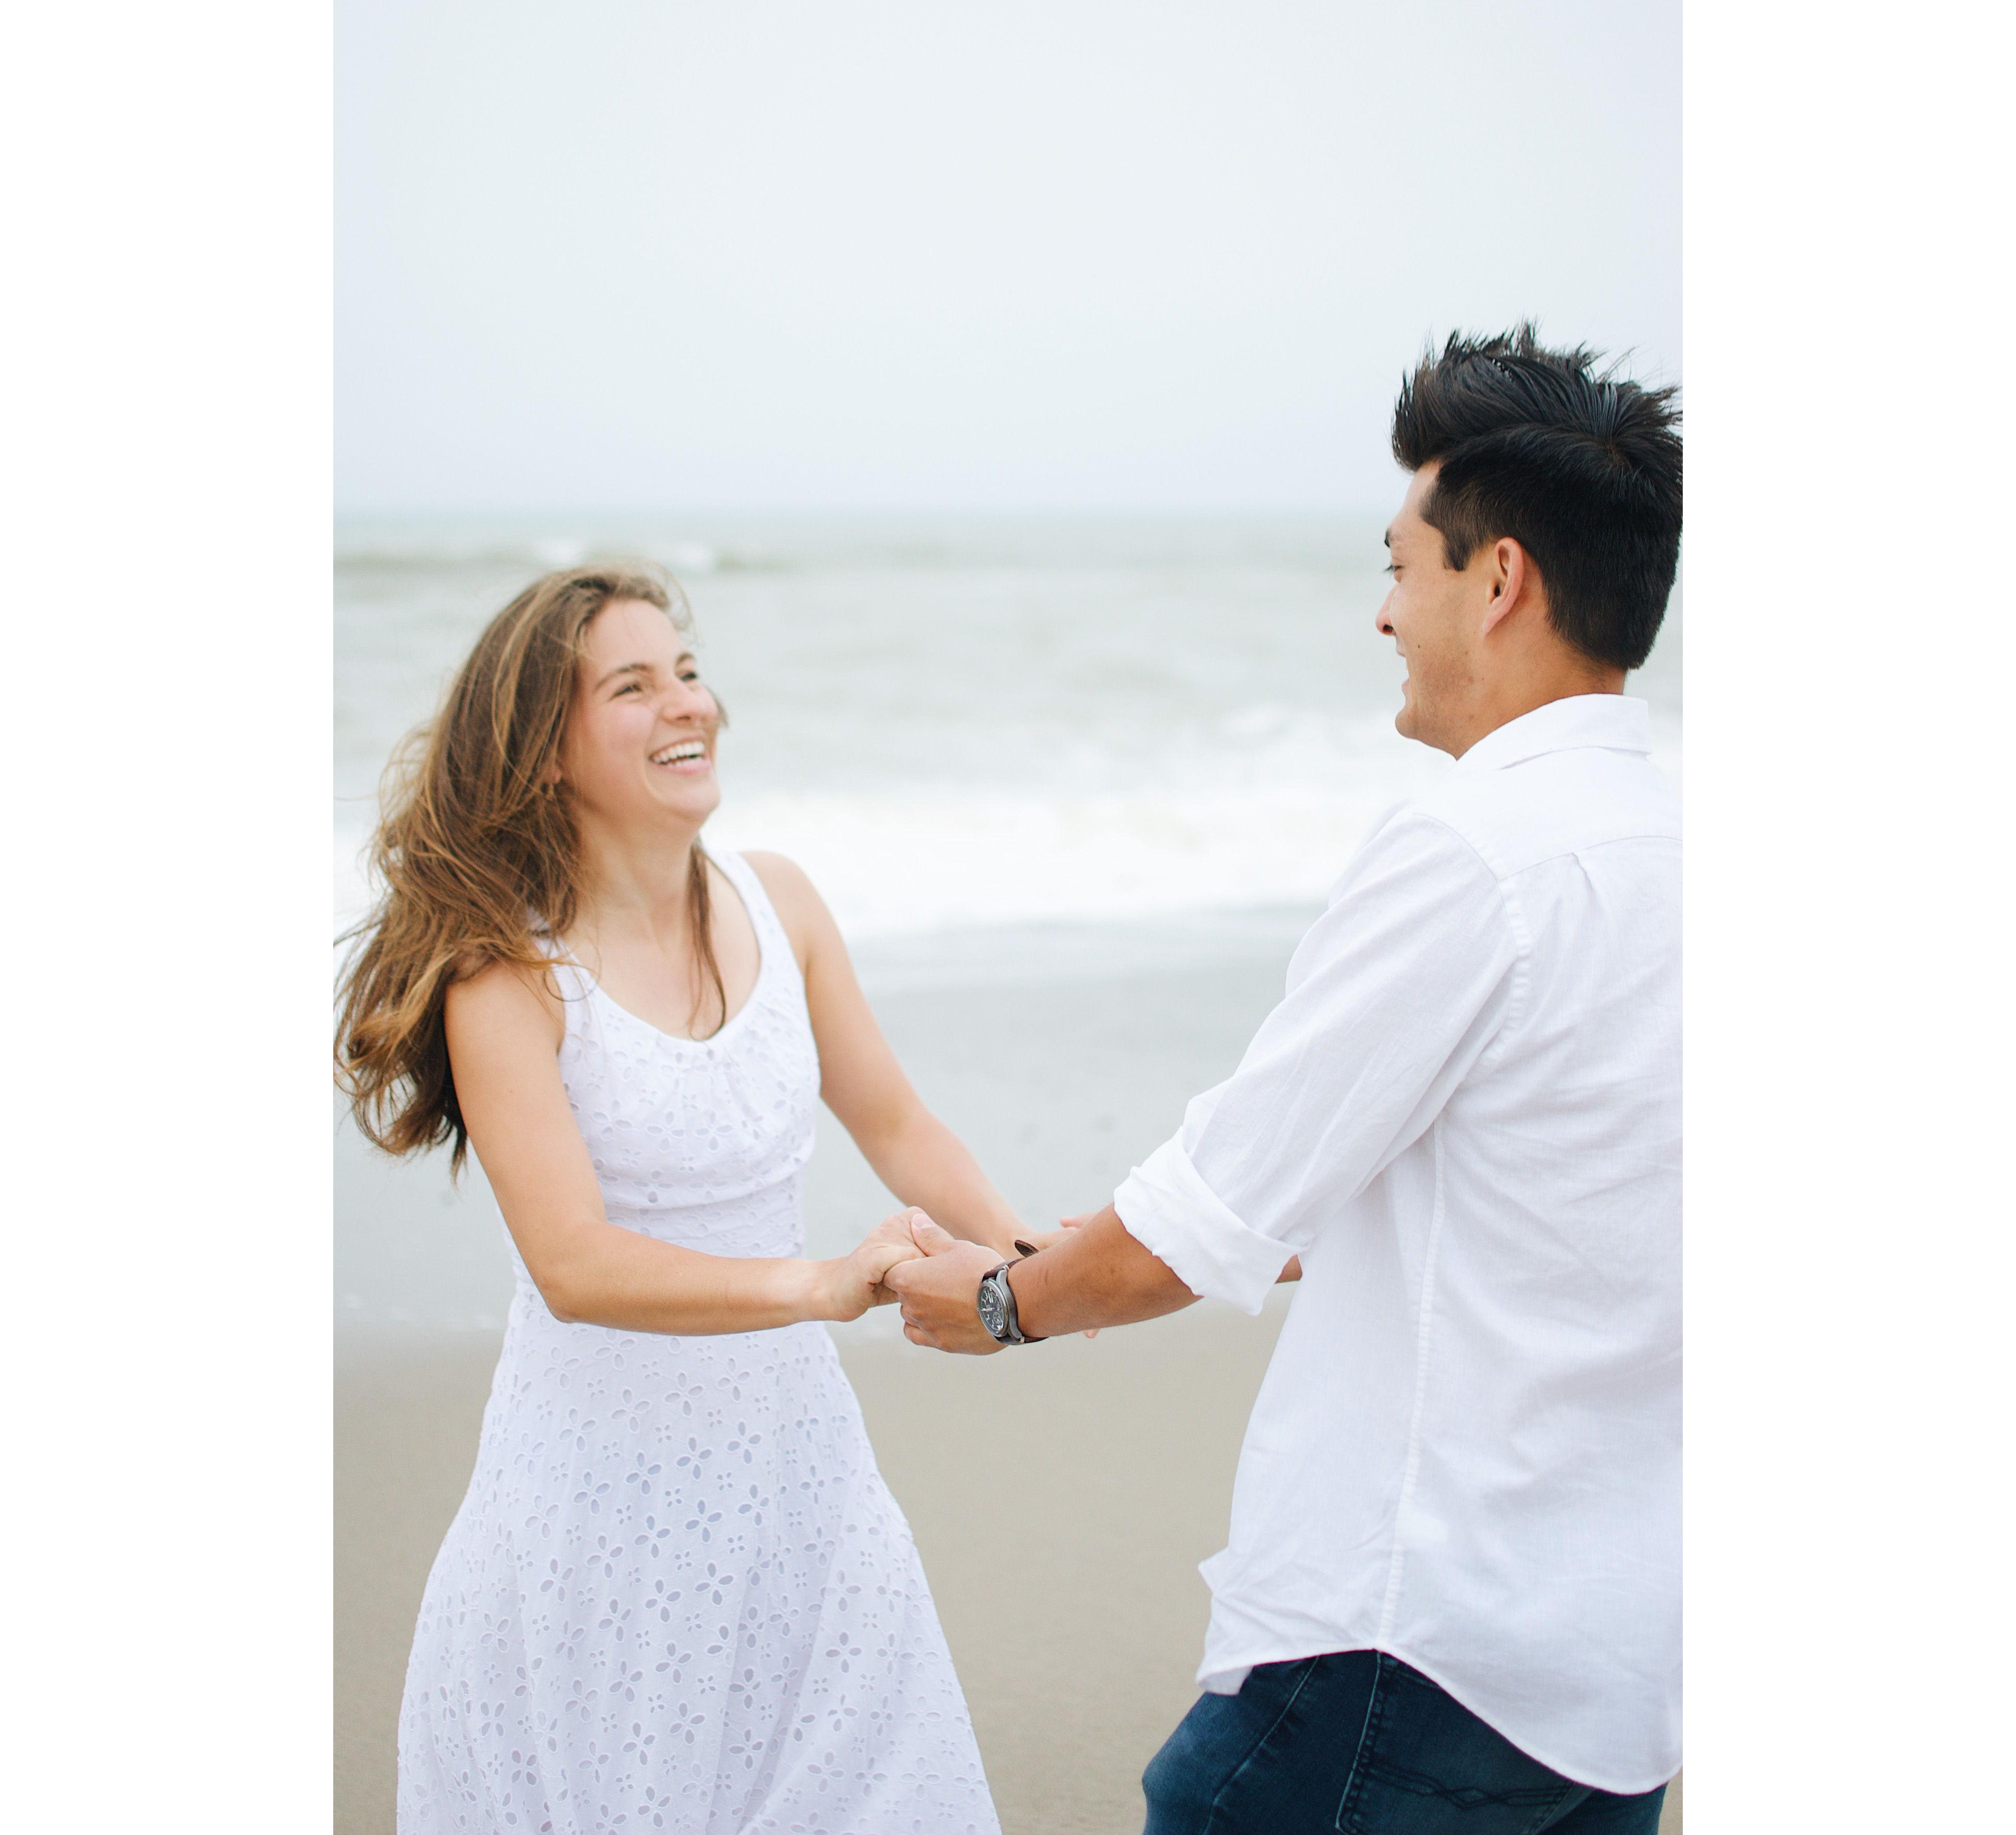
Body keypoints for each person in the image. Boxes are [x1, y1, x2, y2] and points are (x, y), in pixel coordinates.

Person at [889, 326, 1682, 1834]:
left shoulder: (1471, 849)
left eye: (1400, 566)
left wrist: (998, 1303)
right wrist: (1102, 1238)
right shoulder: (1677, 852)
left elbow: (1211, 1217)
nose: (1382, 612)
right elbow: (1551, 1193)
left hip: (1414, 1644)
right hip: (1618, 1679)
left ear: (1498, 580)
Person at [337, 563, 1032, 1835]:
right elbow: (573, 1262)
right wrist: (821, 1283)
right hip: (593, 1511)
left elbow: (895, 1122)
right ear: (546, 749)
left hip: (800, 1483)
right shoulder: (507, 974)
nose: (687, 704)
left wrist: (1031, 1255)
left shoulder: (782, 901)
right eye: (633, 686)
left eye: (691, 672)